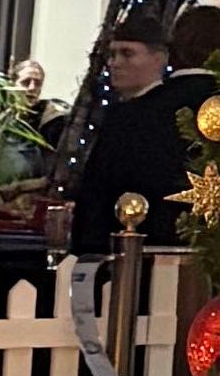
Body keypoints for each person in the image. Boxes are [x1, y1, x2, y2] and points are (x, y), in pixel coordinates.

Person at [63, 19, 189, 258]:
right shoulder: (122, 112)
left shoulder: (149, 116)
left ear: (159, 58)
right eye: (112, 55)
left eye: (127, 54)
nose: (115, 63)